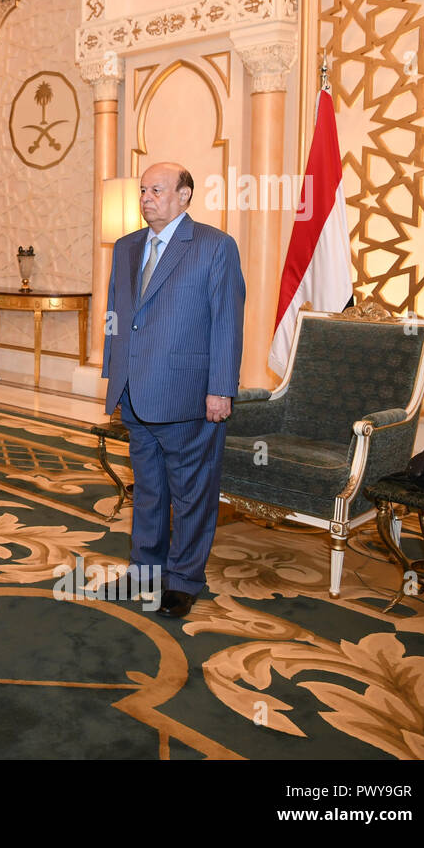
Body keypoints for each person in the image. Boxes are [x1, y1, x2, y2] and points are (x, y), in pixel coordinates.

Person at [100, 162, 245, 618]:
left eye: (157, 189)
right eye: (143, 190)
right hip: (135, 393)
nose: (146, 197)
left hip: (189, 394)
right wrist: (114, 378)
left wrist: (221, 388)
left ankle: (183, 580)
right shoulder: (125, 248)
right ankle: (143, 572)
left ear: (185, 195)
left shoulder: (214, 246)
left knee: (191, 493)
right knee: (148, 491)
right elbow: (116, 318)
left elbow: (227, 322)